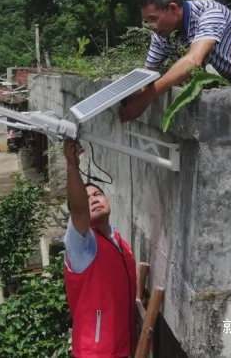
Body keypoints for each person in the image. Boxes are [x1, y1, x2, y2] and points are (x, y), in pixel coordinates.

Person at [119, 0, 231, 123]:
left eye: (153, 18)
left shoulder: (210, 12)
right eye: (147, 20)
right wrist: (131, 98)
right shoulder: (161, 33)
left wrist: (144, 99)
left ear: (173, 9)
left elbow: (193, 61)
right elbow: (148, 72)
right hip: (212, 84)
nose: (151, 26)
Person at [62, 139, 137, 358]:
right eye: (86, 199)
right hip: (96, 353)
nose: (93, 200)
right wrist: (72, 165)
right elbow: (78, 211)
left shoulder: (118, 241)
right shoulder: (82, 246)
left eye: (97, 194)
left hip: (122, 348)